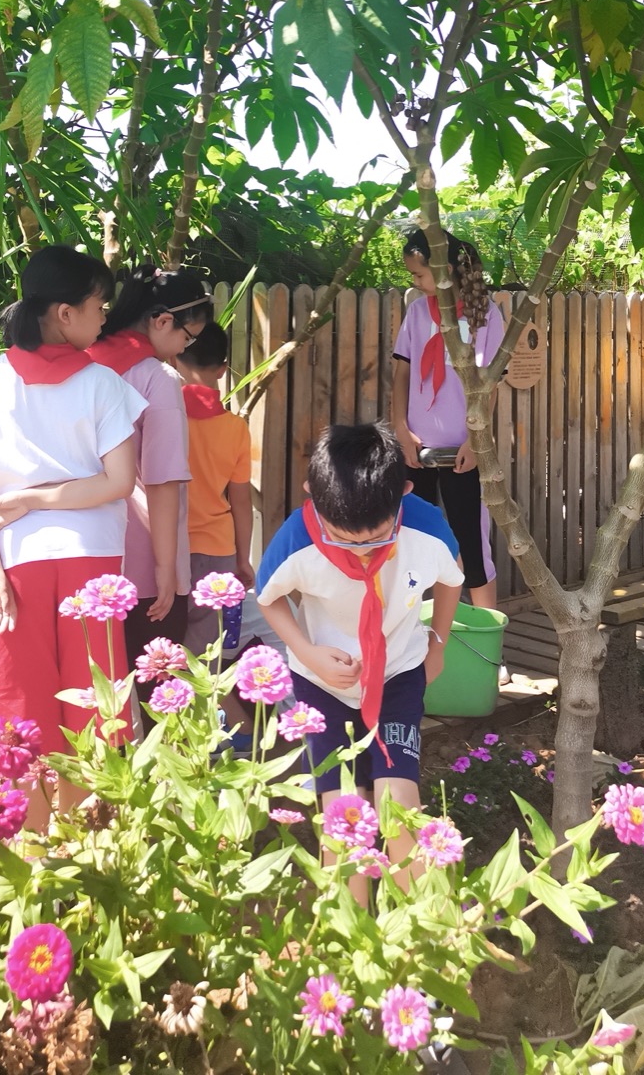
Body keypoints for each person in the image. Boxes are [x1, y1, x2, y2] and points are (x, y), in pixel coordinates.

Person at [0, 246, 144, 825]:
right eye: (98, 305)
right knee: (91, 704)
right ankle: (78, 844)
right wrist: (43, 496)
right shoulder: (104, 385)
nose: (104, 316)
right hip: (94, 566)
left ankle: (30, 849)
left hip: (15, 563)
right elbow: (118, 482)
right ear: (63, 313)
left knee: (18, 708)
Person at [256, 422, 463, 897]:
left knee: (399, 801)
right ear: (313, 496)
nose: (361, 552)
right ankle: (350, 941)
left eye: (374, 539)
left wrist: (438, 645)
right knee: (343, 809)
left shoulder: (426, 527)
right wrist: (307, 652)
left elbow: (453, 579)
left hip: (397, 674)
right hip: (321, 684)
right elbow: (268, 597)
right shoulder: (297, 538)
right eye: (345, 541)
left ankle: (418, 932)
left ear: (404, 494)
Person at [89, 265, 212, 688]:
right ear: (162, 321)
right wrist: (166, 569)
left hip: (86, 554)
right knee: (153, 689)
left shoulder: (84, 366)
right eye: (187, 336)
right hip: (142, 558)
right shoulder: (156, 378)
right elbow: (161, 481)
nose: (182, 348)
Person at [392, 228, 504, 615]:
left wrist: (476, 441)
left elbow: (491, 386)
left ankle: (488, 645)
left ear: (445, 271)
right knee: (413, 539)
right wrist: (401, 429)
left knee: (471, 542)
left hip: (464, 451)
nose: (415, 282)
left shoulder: (486, 315)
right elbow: (402, 373)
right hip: (416, 450)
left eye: (419, 274)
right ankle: (414, 633)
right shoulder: (418, 312)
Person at [176, 320, 256, 657]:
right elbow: (240, 500)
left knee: (160, 648)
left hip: (168, 546)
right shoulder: (236, 428)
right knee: (204, 655)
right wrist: (243, 558)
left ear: (173, 360)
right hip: (219, 549)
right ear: (224, 369)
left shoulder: (161, 417)